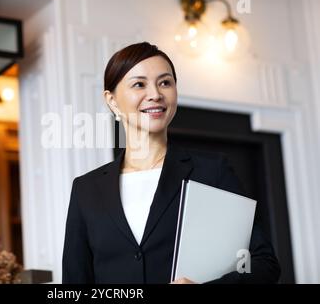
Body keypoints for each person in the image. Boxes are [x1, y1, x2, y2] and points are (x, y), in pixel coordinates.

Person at [62, 42, 280, 284]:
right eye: (139, 84)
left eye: (165, 82)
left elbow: (263, 264)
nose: (155, 94)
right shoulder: (86, 189)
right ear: (112, 101)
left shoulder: (212, 171)